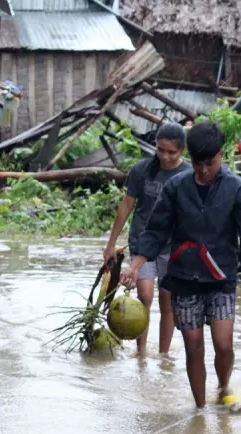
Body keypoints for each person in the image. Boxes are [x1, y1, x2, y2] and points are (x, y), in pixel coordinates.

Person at [120, 121, 241, 409]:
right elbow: (155, 232)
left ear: (222, 155)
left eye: (210, 163)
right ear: (189, 159)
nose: (204, 170)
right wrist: (135, 266)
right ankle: (200, 410)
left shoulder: (237, 189)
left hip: (221, 278)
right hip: (185, 278)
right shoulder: (176, 188)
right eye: (198, 163)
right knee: (193, 345)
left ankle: (223, 386)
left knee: (224, 343)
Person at [103, 123, 191, 357]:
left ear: (182, 151)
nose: (165, 156)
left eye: (171, 152)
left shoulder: (188, 175)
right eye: (160, 150)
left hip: (173, 247)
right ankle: (141, 352)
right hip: (142, 241)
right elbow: (126, 207)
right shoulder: (142, 170)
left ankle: (163, 355)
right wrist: (111, 244)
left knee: (168, 303)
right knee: (144, 296)